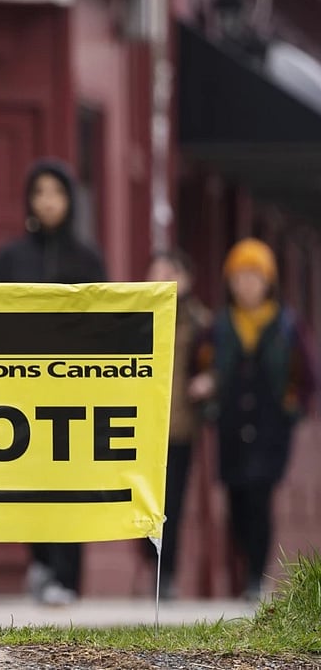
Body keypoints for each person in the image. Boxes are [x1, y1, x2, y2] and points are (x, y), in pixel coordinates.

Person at [0, 159, 106, 606]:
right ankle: (40, 560)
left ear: (70, 200)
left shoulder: (87, 258)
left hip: (73, 391)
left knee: (71, 483)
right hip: (21, 388)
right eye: (39, 192)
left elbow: (104, 324)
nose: (47, 201)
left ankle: (67, 575)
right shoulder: (11, 257)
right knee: (28, 478)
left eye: (56, 192)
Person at [188, 237, 316, 602]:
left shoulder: (287, 325)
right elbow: (198, 366)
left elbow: (307, 375)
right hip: (230, 424)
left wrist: (294, 409)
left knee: (260, 497)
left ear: (268, 281)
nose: (246, 284)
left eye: (254, 276)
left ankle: (256, 578)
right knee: (237, 499)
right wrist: (206, 397)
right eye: (239, 277)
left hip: (271, 426)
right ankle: (242, 570)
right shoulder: (219, 326)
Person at [143, 250, 212, 600]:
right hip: (137, 428)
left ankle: (166, 574)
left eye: (171, 273)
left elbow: (216, 361)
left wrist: (208, 381)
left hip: (179, 426)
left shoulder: (199, 321)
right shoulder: (136, 315)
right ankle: (148, 561)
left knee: (172, 505)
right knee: (139, 501)